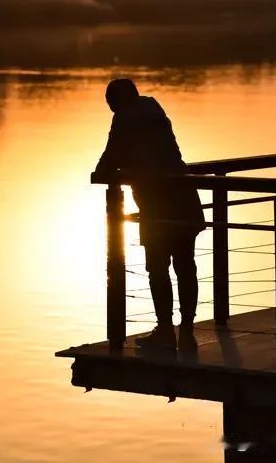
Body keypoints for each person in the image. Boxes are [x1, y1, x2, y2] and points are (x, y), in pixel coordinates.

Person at [93, 78, 206, 351]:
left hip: (157, 204)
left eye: (111, 106)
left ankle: (166, 332)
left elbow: (112, 156)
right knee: (185, 266)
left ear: (117, 102)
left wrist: (99, 172)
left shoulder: (125, 118)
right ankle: (187, 332)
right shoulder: (155, 111)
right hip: (183, 195)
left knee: (157, 268)